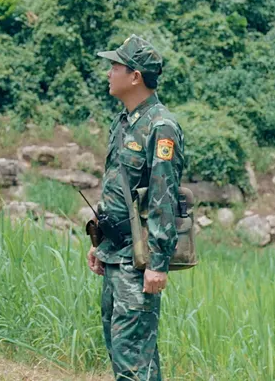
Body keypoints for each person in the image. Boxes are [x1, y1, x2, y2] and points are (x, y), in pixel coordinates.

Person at [88, 34, 184, 381]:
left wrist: (158, 264)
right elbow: (116, 190)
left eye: (115, 66)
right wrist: (99, 244)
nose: (108, 73)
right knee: (121, 354)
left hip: (138, 261)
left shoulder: (161, 127)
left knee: (134, 363)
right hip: (115, 252)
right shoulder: (124, 122)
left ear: (135, 76)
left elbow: (163, 199)